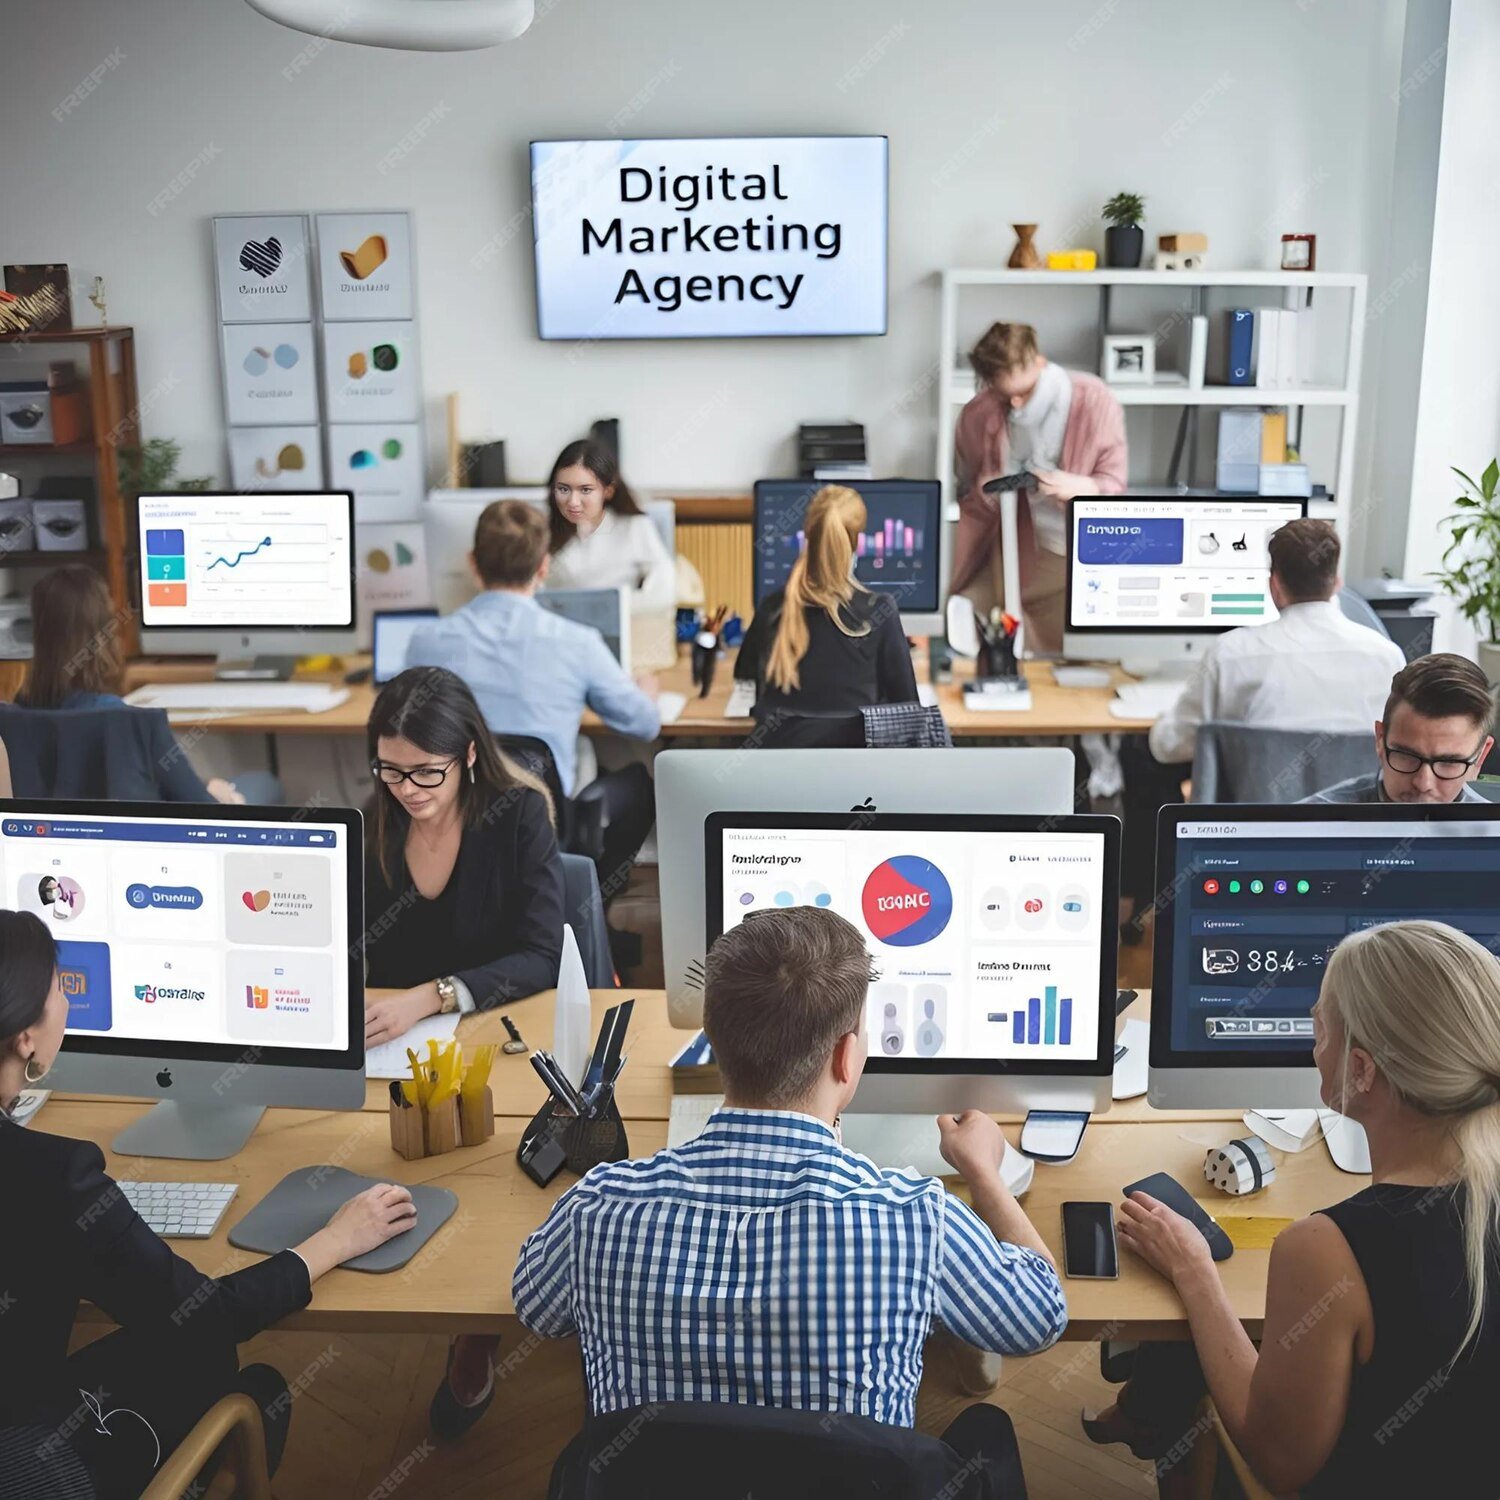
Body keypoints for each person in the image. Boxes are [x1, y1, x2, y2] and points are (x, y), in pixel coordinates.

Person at [512, 906, 1066, 1487]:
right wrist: (984, 1173)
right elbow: (1040, 1316)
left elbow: (536, 1308)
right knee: (985, 1427)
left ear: (716, 1042)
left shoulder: (599, 1208)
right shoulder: (915, 1221)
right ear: (846, 1057)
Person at [0, 909, 416, 1499]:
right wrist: (336, 1239)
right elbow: (203, 1315)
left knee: (191, 1354)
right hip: (29, 1469)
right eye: (61, 985)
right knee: (250, 1381)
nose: (70, 995)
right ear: (24, 1037)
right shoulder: (55, 1176)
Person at [1084, 919, 1500, 1497]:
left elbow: (1277, 1460)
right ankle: (1144, 1412)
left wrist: (1193, 1269)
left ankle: (1149, 1421)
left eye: (1319, 1024)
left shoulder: (1326, 1249)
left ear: (1360, 1070)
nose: (1311, 1039)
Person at [1121, 519, 1404, 923]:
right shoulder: (1387, 656)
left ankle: (1147, 912)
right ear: (1336, 581)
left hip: (1258, 840)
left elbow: (1168, 746)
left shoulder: (1233, 652)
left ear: (1274, 584)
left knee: (1141, 755)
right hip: (1355, 842)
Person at [405, 499, 659, 905]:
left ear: (473, 563)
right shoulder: (576, 641)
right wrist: (645, 689)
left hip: (454, 821)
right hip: (542, 824)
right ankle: (590, 908)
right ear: (543, 567)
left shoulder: (424, 642)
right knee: (639, 786)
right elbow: (645, 725)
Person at [363, 666, 565, 1048]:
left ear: (469, 754)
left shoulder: (518, 814)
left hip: (497, 1028)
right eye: (391, 770)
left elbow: (543, 958)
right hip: (394, 1037)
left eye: (427, 772)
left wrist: (433, 996)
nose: (407, 790)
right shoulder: (375, 820)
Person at [15, 565, 277, 804]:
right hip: (152, 844)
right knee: (264, 784)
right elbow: (200, 806)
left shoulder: (15, 716)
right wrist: (224, 797)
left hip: (57, 846)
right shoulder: (130, 721)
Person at [951, 321, 1127, 654]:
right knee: (987, 615)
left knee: (1068, 646)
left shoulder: (1094, 401)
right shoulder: (980, 413)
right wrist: (985, 489)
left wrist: (1079, 486)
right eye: (1006, 396)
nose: (1016, 405)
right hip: (1018, 542)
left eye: (1024, 393)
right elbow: (969, 495)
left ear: (1039, 362)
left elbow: (1114, 485)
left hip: (1076, 547)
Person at [732, 483, 919, 720]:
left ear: (809, 537)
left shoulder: (773, 608)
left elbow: (745, 679)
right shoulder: (879, 611)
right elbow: (909, 711)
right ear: (856, 543)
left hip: (782, 756)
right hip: (854, 757)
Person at [1306, 651, 1495, 803]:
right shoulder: (1304, 831)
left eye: (1449, 763)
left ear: (1481, 756)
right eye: (1406, 756)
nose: (1423, 784)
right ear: (1380, 740)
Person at [545, 437, 676, 618]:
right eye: (564, 489)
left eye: (585, 490)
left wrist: (617, 608)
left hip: (623, 624)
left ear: (608, 491)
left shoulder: (633, 526)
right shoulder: (542, 531)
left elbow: (664, 590)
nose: (573, 502)